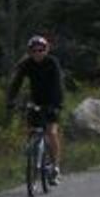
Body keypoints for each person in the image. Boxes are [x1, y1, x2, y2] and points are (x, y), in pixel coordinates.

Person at [5, 34, 68, 177]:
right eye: (34, 51)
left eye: (41, 50)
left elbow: (58, 84)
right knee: (31, 128)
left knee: (51, 132)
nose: (37, 53)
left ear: (46, 50)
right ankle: (34, 153)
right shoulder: (27, 64)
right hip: (36, 101)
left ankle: (56, 166)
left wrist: (57, 104)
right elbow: (17, 82)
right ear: (30, 52)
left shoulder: (52, 62)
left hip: (53, 101)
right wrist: (11, 100)